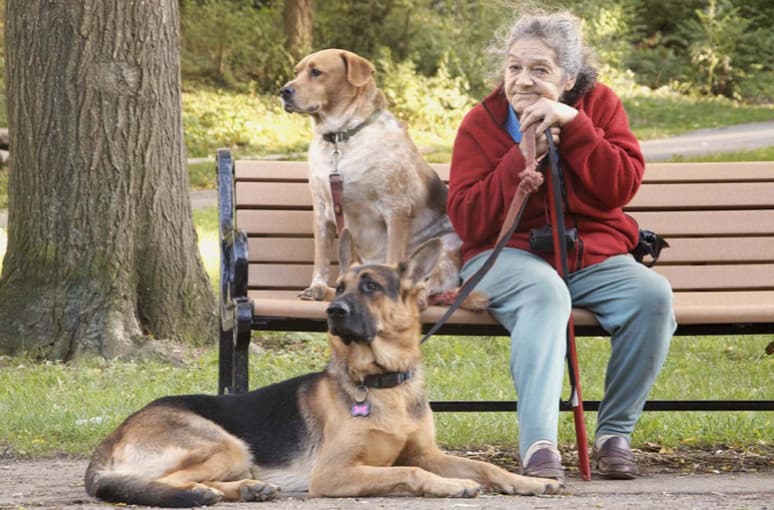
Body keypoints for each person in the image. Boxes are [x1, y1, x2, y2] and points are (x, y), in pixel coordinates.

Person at [447, 11, 675, 481]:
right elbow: (468, 220)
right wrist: (520, 157)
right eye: (514, 68)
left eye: (540, 70)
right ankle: (539, 446)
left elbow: (620, 187)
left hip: (588, 254)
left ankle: (615, 434)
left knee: (652, 297)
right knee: (546, 292)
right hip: (506, 258)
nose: (523, 81)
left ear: (569, 77)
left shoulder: (600, 106)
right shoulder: (482, 122)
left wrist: (575, 129)